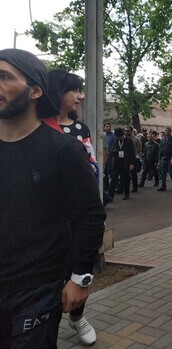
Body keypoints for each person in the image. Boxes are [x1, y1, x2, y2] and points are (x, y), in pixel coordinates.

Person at [0, 48, 106, 348]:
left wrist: (80, 277)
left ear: (35, 90)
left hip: (36, 290)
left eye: (5, 76)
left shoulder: (63, 149)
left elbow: (90, 215)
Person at [46, 69, 100, 345]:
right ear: (57, 91)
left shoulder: (80, 129)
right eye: (75, 90)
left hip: (78, 214)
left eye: (81, 90)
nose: (80, 96)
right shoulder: (35, 126)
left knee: (78, 268)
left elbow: (92, 168)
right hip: (48, 217)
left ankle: (78, 318)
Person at [109, 127, 136, 200]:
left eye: (119, 137)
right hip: (117, 162)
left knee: (125, 179)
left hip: (126, 162)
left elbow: (133, 153)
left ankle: (126, 194)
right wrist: (114, 151)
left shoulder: (129, 141)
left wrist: (132, 163)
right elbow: (112, 149)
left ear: (122, 135)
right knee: (113, 179)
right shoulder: (116, 141)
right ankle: (110, 195)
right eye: (117, 137)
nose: (118, 138)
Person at [158, 127, 172, 191]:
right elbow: (160, 149)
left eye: (167, 131)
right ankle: (163, 186)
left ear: (170, 131)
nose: (166, 132)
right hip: (163, 158)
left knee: (171, 173)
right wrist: (159, 159)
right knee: (163, 173)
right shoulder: (162, 139)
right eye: (165, 130)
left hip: (170, 158)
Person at [124, 125, 141, 192]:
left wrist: (136, 156)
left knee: (133, 173)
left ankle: (135, 187)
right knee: (125, 174)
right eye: (125, 130)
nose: (126, 132)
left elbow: (139, 149)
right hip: (125, 158)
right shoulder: (124, 138)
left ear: (131, 131)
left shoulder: (136, 139)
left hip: (133, 158)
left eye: (128, 131)